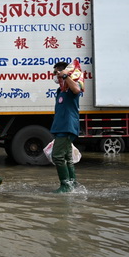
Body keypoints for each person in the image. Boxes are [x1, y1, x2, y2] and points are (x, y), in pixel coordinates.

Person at [50, 62, 82, 193]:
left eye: (56, 73)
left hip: (67, 127)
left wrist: (65, 76)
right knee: (67, 157)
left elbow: (77, 89)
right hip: (60, 127)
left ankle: (65, 185)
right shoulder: (60, 90)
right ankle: (72, 184)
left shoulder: (71, 87)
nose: (55, 76)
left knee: (57, 156)